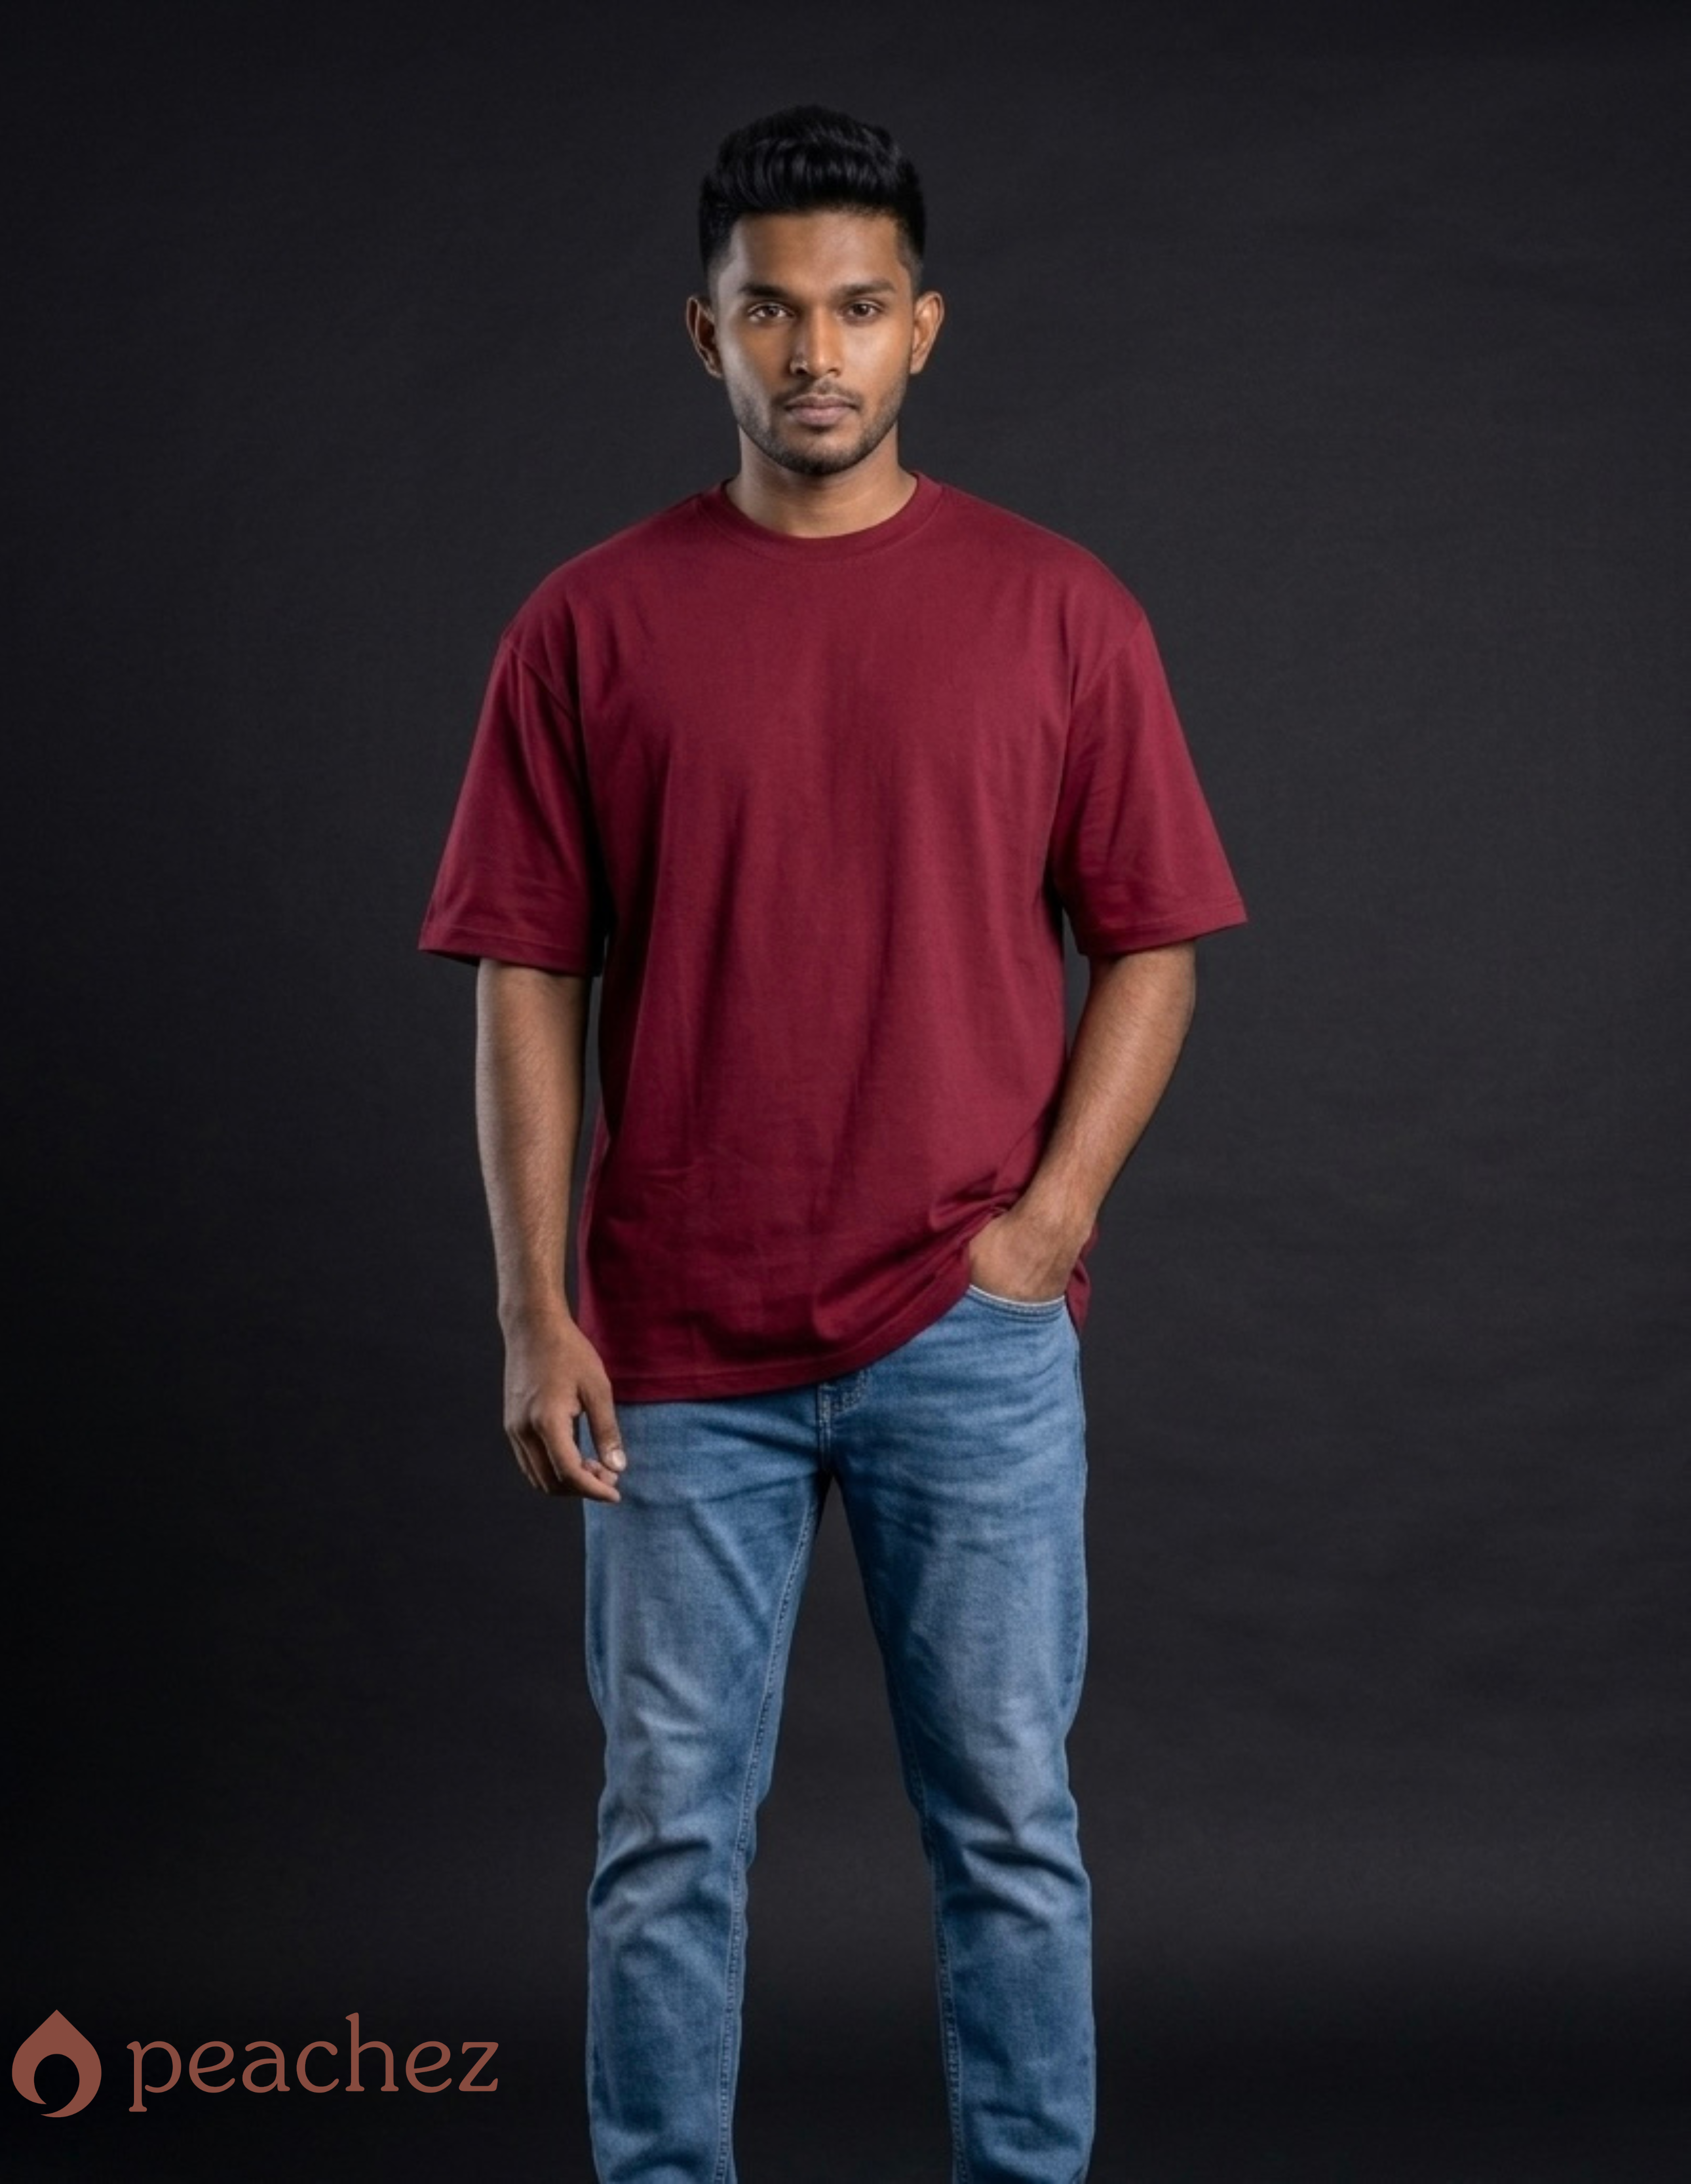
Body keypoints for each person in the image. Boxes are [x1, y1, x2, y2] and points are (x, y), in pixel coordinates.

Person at [421, 103, 1246, 2184]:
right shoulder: (587, 626)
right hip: (672, 1343)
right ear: (702, 330)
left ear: (922, 329)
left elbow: (1153, 942)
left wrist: (1046, 1227)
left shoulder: (1059, 610)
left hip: (963, 1330)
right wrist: (534, 1311)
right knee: (666, 1837)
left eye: (859, 309)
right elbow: (526, 973)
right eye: (773, 311)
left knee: (1009, 1830)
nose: (816, 353)